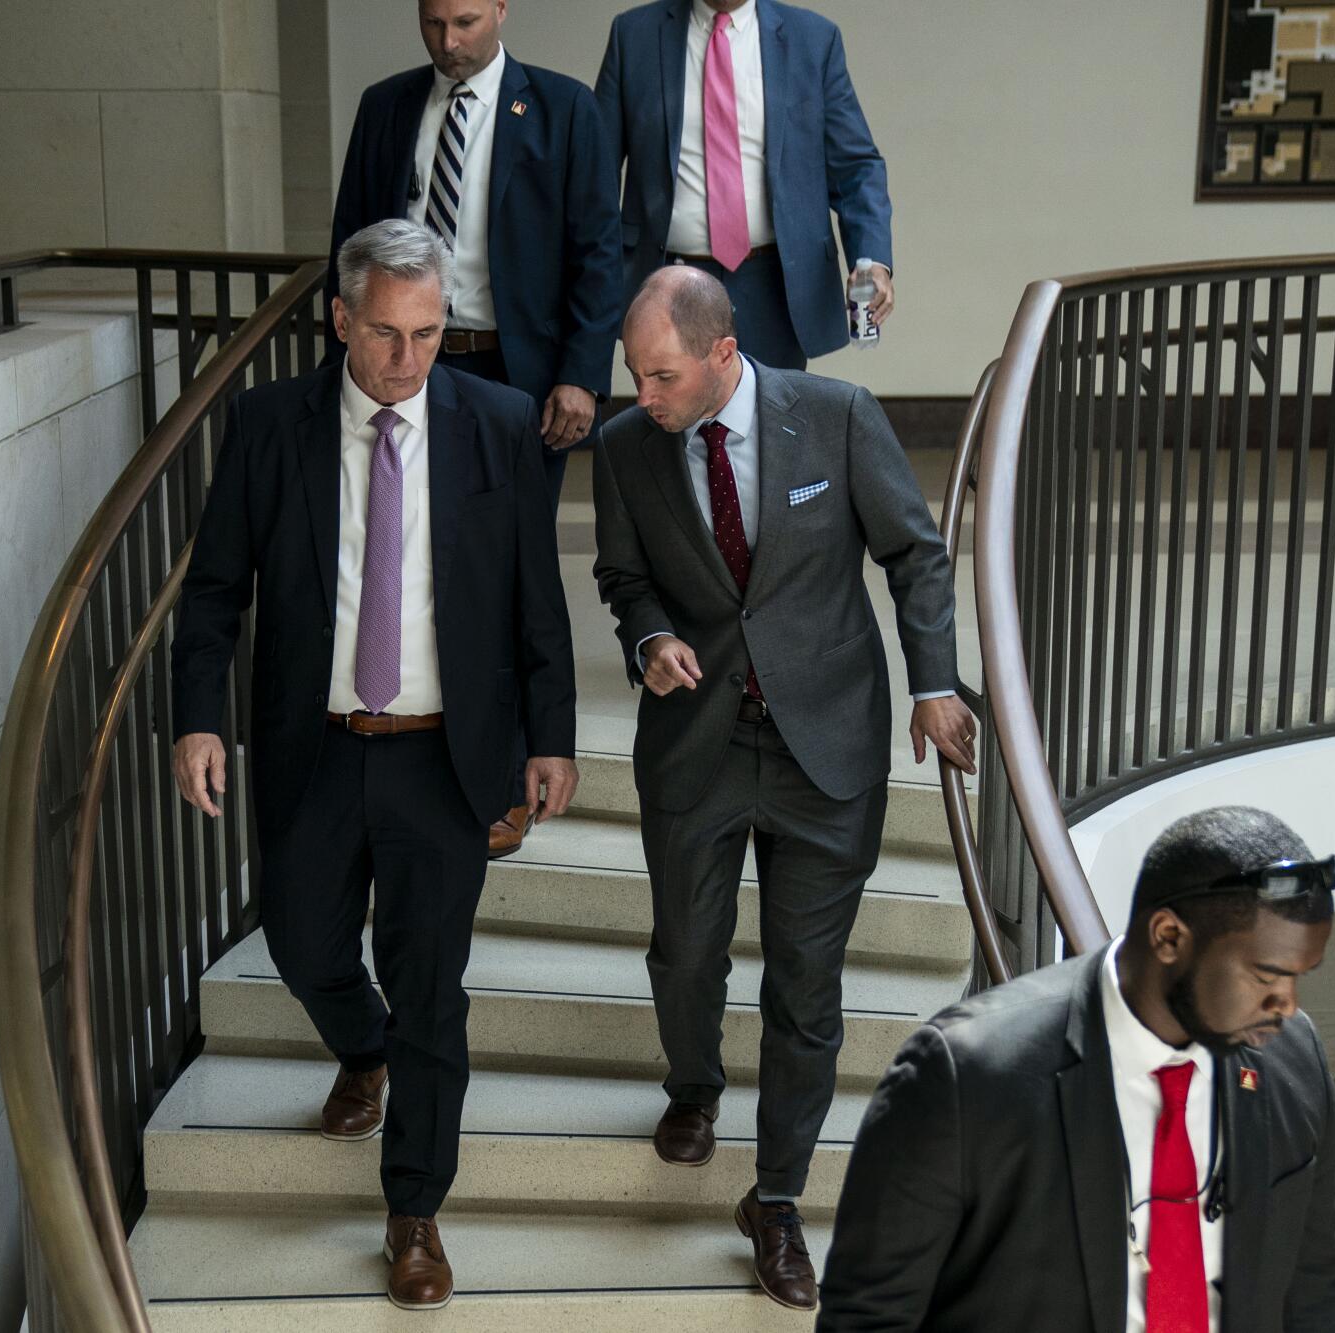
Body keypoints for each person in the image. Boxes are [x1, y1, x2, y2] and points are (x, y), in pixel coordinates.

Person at [169, 219, 578, 1312]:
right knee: (302, 940)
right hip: (315, 748)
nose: (408, 361)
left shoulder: (495, 426)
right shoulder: (267, 426)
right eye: (388, 334)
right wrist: (198, 719)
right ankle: (362, 1045)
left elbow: (534, 600)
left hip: (444, 758)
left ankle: (413, 1210)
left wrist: (550, 737)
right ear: (342, 319)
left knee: (432, 990)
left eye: (431, 333)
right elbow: (212, 592)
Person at [591, 266, 973, 1311]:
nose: (643, 396)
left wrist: (932, 684)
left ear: (721, 355)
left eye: (661, 374)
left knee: (806, 992)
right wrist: (651, 636)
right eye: (633, 374)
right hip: (695, 744)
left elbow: (913, 553)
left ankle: (775, 1199)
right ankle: (692, 1087)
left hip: (824, 752)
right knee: (684, 951)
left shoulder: (836, 416)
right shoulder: (627, 448)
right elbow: (621, 578)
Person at [818, 806, 1335, 1333]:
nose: (1287, 1004)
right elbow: (869, 1317)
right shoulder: (967, 1072)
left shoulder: (1293, 1058)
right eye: (1267, 975)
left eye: (1299, 977)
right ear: (1169, 937)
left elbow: (1313, 1294)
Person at [330, 0, 621, 857]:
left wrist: (579, 374)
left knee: (508, 573)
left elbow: (597, 251)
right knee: (409, 558)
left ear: (500, 8)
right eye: (432, 24)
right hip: (409, 364)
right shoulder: (387, 106)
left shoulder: (564, 109)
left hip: (518, 376)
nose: (448, 43)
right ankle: (430, 758)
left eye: (464, 22)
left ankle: (505, 776)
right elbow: (348, 241)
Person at [595, 0, 895, 371]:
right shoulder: (634, 34)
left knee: (772, 422)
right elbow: (596, 172)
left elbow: (855, 166)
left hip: (775, 281)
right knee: (680, 423)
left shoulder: (813, 39)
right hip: (670, 279)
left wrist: (873, 259)